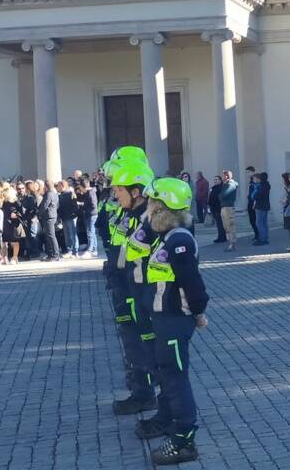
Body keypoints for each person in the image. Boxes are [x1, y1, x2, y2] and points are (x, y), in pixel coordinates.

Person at [132, 178, 210, 465]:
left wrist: (199, 312)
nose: (147, 209)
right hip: (164, 319)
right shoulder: (166, 236)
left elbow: (193, 283)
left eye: (152, 204)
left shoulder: (179, 241)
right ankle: (171, 425)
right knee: (168, 375)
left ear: (162, 207)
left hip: (176, 321)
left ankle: (184, 440)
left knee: (176, 380)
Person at [109, 158, 159, 417]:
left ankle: (148, 395)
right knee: (133, 346)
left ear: (136, 191)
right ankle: (142, 390)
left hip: (139, 294)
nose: (115, 194)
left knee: (146, 348)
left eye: (119, 189)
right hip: (125, 290)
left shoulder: (149, 220)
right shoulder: (128, 215)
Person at [39, 180, 60, 262]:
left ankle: (55, 255)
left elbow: (44, 206)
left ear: (46, 186)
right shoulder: (55, 194)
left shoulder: (48, 194)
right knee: (49, 236)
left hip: (48, 217)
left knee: (51, 236)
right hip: (52, 215)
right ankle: (51, 254)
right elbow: (57, 205)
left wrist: (39, 213)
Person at [218, 170, 239, 252]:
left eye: (223, 175)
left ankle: (232, 243)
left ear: (226, 176)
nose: (222, 177)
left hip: (228, 207)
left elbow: (223, 195)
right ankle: (230, 243)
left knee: (230, 226)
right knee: (226, 226)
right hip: (224, 207)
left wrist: (219, 195)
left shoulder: (230, 184)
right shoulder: (226, 184)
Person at [57, 180, 78, 258]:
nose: (57, 188)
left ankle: (75, 251)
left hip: (71, 217)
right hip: (64, 217)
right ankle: (69, 250)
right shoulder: (60, 195)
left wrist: (74, 214)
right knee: (67, 235)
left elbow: (75, 206)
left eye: (59, 186)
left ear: (63, 186)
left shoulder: (70, 194)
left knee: (73, 234)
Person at [78, 181, 99, 258]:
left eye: (80, 188)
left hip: (91, 215)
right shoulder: (88, 193)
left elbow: (93, 204)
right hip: (90, 215)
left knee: (90, 232)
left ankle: (90, 250)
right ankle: (94, 249)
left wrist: (85, 208)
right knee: (92, 232)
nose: (80, 190)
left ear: (84, 187)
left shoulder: (90, 193)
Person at [252, 172, 271, 246]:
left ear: (259, 179)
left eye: (255, 178)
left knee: (259, 223)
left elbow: (255, 196)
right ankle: (265, 238)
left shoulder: (260, 186)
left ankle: (262, 239)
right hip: (265, 205)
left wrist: (253, 195)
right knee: (264, 223)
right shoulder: (266, 185)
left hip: (260, 206)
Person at [209, 175, 225, 243]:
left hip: (218, 208)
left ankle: (222, 237)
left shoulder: (221, 188)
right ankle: (220, 236)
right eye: (214, 179)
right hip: (213, 208)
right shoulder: (214, 188)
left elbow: (218, 198)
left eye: (217, 179)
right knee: (218, 223)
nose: (215, 181)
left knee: (220, 223)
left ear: (220, 180)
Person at [244, 166, 259, 240]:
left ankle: (258, 235)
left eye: (249, 172)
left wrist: (254, 203)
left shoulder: (255, 180)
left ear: (253, 172)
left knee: (255, 220)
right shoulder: (250, 180)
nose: (247, 174)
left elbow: (257, 191)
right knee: (252, 220)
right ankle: (256, 234)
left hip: (254, 202)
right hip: (250, 201)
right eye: (247, 172)